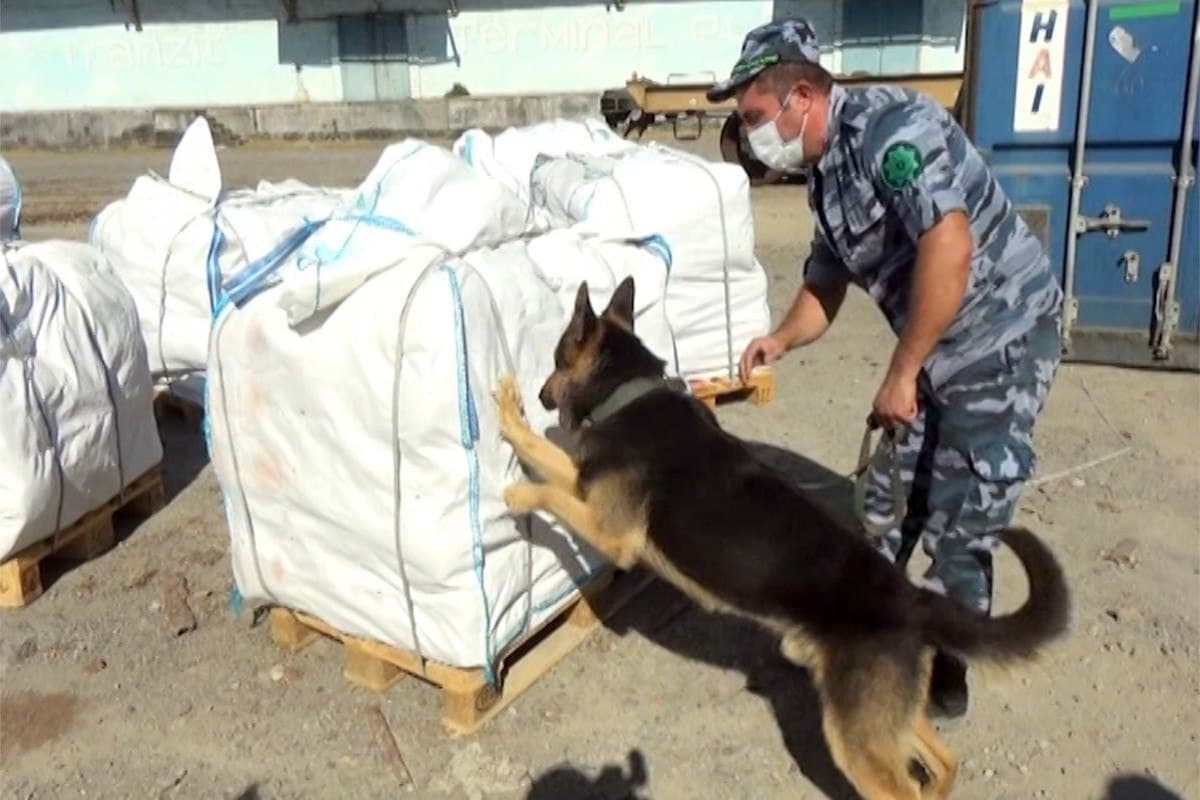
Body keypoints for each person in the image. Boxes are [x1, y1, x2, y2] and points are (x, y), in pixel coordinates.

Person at [708, 19, 1063, 719]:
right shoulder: (825, 177)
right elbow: (825, 285)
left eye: (753, 116)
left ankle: (948, 671)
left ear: (799, 96)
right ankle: (870, 634)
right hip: (932, 349)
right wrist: (779, 339)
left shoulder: (893, 133)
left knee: (961, 524)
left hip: (1000, 338)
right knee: (882, 509)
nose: (750, 135)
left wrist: (903, 373)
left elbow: (949, 247)